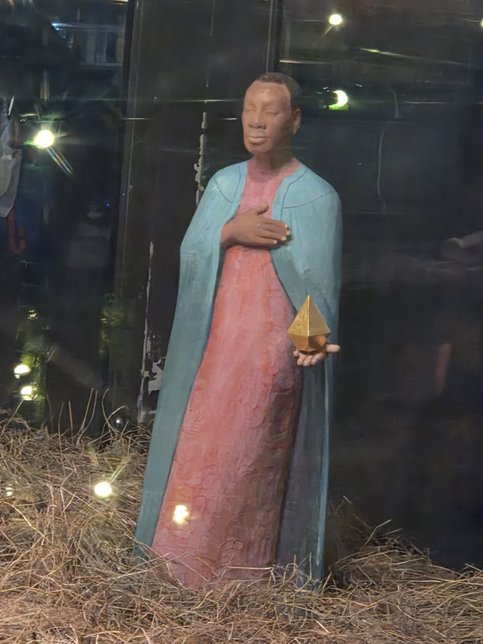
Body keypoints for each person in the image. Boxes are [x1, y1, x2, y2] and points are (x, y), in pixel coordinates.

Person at [136, 72, 342, 587]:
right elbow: (191, 251)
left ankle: (238, 579)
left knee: (249, 455)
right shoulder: (225, 184)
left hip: (269, 353)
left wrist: (311, 343)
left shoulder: (317, 197)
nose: (257, 121)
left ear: (294, 119)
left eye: (271, 111)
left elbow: (316, 283)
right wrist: (229, 231)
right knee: (200, 450)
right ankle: (178, 570)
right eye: (250, 109)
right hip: (214, 347)